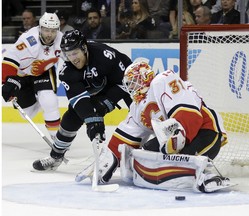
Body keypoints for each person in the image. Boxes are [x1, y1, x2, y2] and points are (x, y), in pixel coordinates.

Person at [76, 61, 231, 193]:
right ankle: (187, 171)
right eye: (128, 84)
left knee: (178, 158)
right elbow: (125, 137)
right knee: (144, 154)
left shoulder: (162, 81)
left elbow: (190, 114)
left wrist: (177, 136)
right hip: (174, 136)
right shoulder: (137, 108)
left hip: (206, 131)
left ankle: (207, 175)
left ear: (143, 76)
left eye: (132, 81)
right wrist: (106, 159)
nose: (130, 87)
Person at [32, 29, 133, 171]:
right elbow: (79, 101)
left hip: (122, 82)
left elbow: (125, 83)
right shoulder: (66, 72)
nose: (73, 58)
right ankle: (56, 156)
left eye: (75, 53)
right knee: (72, 116)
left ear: (84, 48)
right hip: (95, 90)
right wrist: (92, 121)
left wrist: (107, 103)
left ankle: (152, 145)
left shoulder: (104, 56)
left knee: (138, 108)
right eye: (68, 55)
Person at [2, 12, 63, 141]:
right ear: (40, 28)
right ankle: (38, 99)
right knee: (27, 114)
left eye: (53, 31)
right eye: (46, 30)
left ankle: (58, 139)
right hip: (22, 75)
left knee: (49, 101)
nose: (49, 34)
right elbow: (9, 60)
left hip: (44, 72)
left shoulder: (61, 40)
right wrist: (7, 82)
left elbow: (74, 58)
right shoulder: (28, 40)